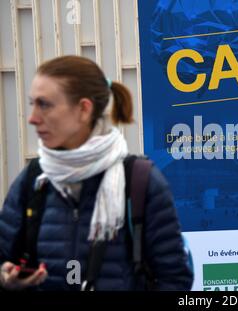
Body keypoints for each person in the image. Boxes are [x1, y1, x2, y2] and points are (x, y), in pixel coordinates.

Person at [0, 56, 193, 290]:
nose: (32, 118)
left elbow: (175, 280)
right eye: (32, 104)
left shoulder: (141, 182)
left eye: (45, 105)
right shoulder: (33, 180)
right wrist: (7, 278)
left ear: (84, 109)